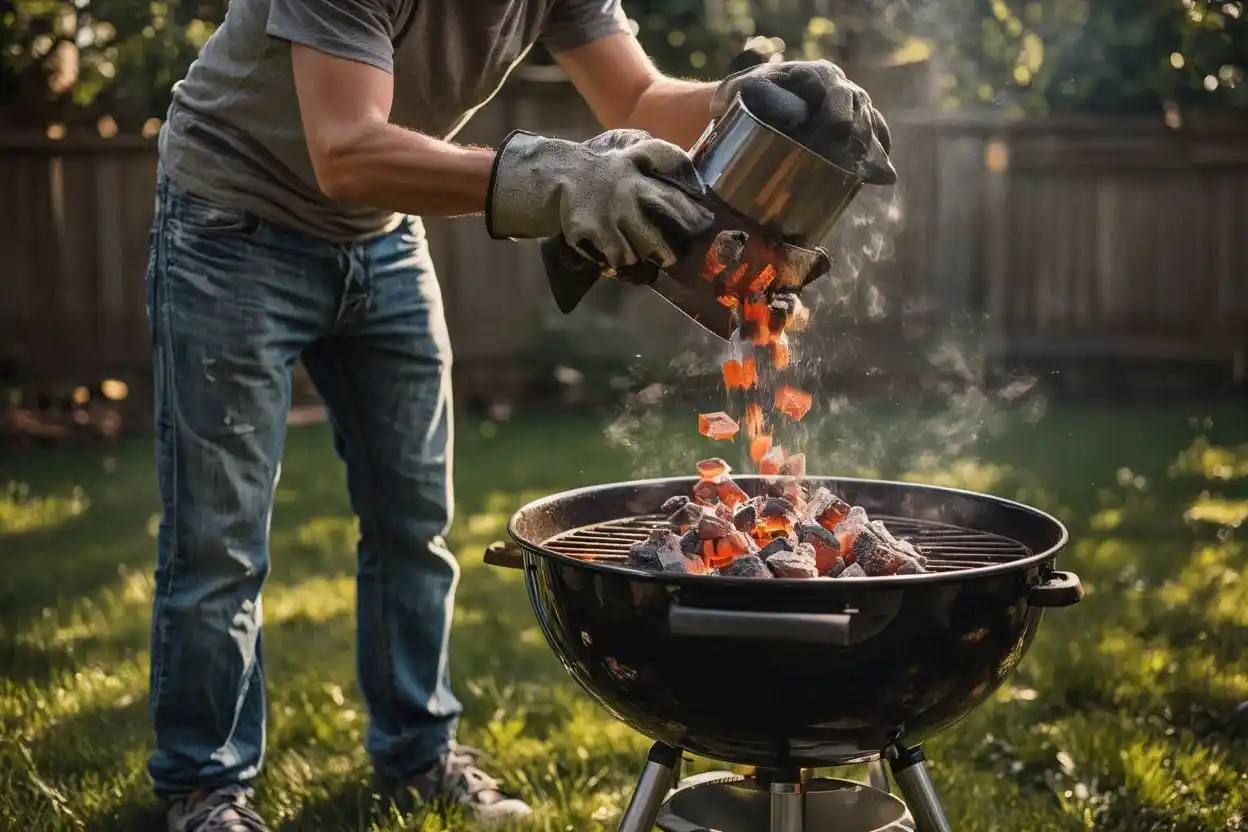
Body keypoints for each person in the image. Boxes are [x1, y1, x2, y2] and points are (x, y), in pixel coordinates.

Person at [144, 0, 896, 829]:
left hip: (381, 236)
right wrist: (560, 177)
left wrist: (741, 100)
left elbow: (638, 100)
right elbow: (347, 152)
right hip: (230, 222)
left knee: (414, 522)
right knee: (220, 537)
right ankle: (204, 786)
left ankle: (417, 753)